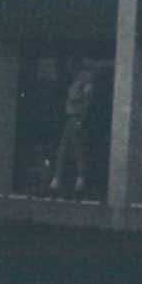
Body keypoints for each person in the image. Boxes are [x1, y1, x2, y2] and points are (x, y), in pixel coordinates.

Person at [50, 62, 99, 197]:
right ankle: (60, 179)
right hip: (71, 117)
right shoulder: (76, 81)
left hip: (77, 117)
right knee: (65, 148)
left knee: (76, 148)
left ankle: (77, 179)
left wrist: (81, 120)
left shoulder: (86, 82)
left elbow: (86, 103)